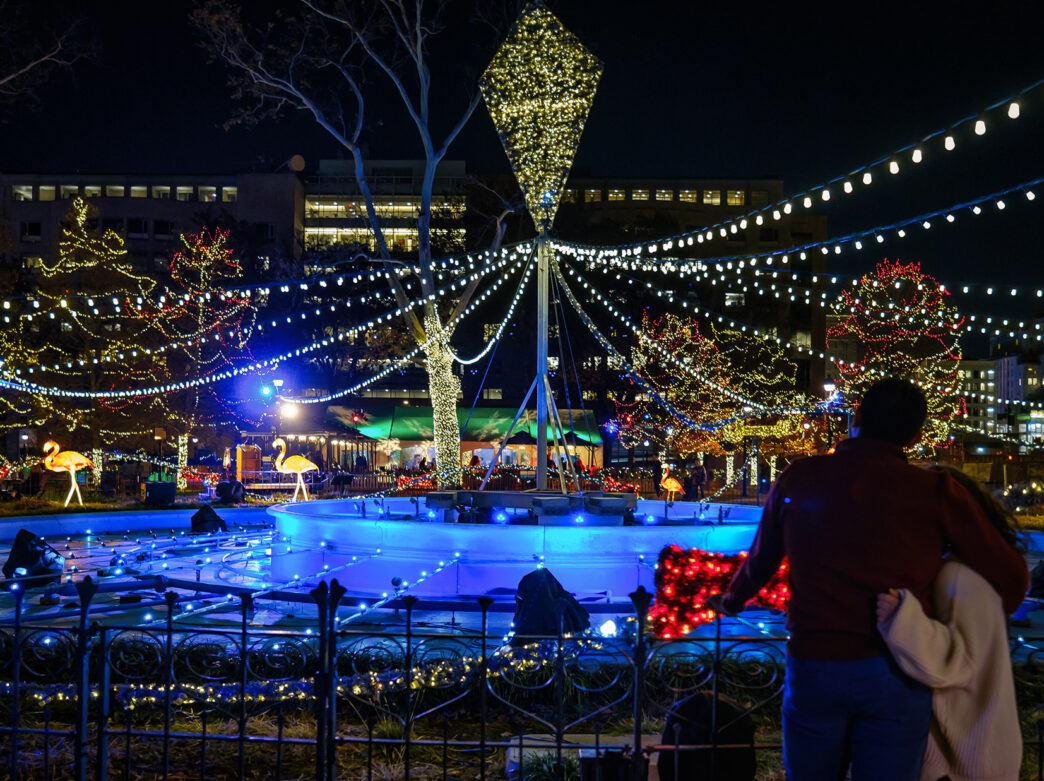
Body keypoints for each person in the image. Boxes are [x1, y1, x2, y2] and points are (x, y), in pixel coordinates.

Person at [712, 377, 1028, 781]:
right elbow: (1010, 574)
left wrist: (731, 600)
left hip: (816, 662)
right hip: (895, 670)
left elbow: (761, 560)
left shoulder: (799, 477)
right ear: (914, 436)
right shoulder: (935, 490)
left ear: (856, 416)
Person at [876, 467, 1024, 781]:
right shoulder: (971, 571)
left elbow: (953, 663)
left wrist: (900, 617)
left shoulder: (956, 577)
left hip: (963, 760)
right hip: (976, 753)